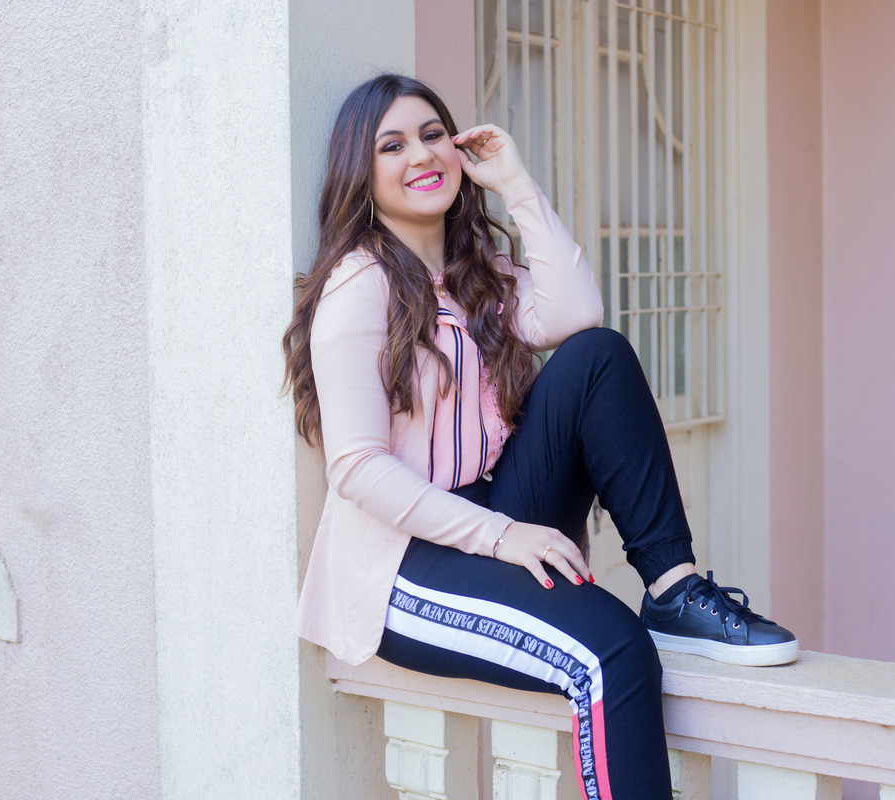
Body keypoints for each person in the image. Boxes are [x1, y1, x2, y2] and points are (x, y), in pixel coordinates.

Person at [282, 74, 796, 800]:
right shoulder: (358, 284)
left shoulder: (475, 274)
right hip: (403, 565)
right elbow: (359, 470)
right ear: (359, 174)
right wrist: (497, 535)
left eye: (434, 135)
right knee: (611, 652)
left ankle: (674, 586)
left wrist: (516, 182)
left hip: (497, 513)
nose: (420, 154)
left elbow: (578, 311)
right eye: (391, 145)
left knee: (598, 358)